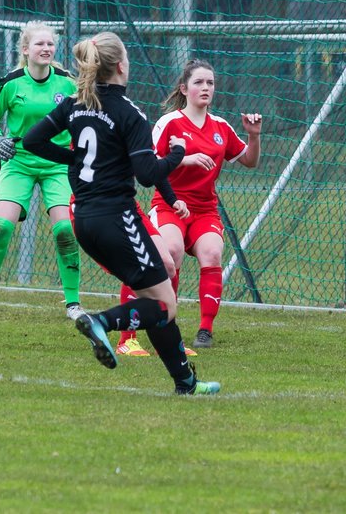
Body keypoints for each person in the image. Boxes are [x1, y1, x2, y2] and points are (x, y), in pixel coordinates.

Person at [22, 32, 220, 395]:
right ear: (121, 65)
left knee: (159, 295)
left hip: (83, 220)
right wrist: (176, 154)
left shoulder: (74, 104)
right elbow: (147, 175)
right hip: (117, 218)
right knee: (163, 306)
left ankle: (186, 382)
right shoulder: (130, 113)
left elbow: (33, 141)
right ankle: (101, 322)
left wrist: (75, 160)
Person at [116, 59, 262, 357]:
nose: (206, 87)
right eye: (199, 82)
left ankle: (205, 330)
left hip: (204, 210)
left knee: (212, 252)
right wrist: (184, 159)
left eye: (210, 83)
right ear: (184, 89)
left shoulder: (220, 126)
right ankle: (147, 331)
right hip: (169, 205)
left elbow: (249, 160)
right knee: (170, 253)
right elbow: (147, 167)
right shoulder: (169, 123)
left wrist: (254, 136)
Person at [0, 22, 84, 321]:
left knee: (66, 230)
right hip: (19, 162)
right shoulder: (10, 83)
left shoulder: (68, 83)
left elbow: (85, 117)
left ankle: (73, 304)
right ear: (25, 50)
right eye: (39, 44)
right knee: (1, 227)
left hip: (58, 164)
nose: (46, 48)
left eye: (50, 44)